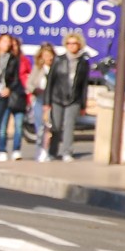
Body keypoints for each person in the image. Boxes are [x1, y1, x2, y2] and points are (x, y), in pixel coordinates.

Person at [46, 31, 90, 162]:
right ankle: (52, 152)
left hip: (74, 99)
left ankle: (67, 152)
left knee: (69, 126)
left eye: (74, 43)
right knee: (56, 126)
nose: (71, 46)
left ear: (79, 45)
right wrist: (47, 102)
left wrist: (83, 104)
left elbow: (84, 85)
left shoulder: (83, 63)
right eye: (69, 43)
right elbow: (50, 81)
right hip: (57, 97)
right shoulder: (59, 60)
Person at [0, 37, 30, 161]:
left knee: (19, 126)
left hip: (19, 97)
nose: (14, 47)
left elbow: (27, 79)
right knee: (3, 126)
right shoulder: (4, 60)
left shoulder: (24, 61)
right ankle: (2, 149)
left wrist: (29, 96)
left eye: (16, 45)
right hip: (5, 96)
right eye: (12, 45)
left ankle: (16, 150)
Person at [28, 42, 57, 161]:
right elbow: (29, 84)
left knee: (51, 127)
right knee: (40, 126)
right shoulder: (38, 68)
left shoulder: (56, 68)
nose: (48, 58)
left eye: (50, 55)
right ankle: (40, 150)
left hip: (53, 99)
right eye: (45, 55)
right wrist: (35, 90)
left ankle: (49, 151)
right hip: (40, 98)